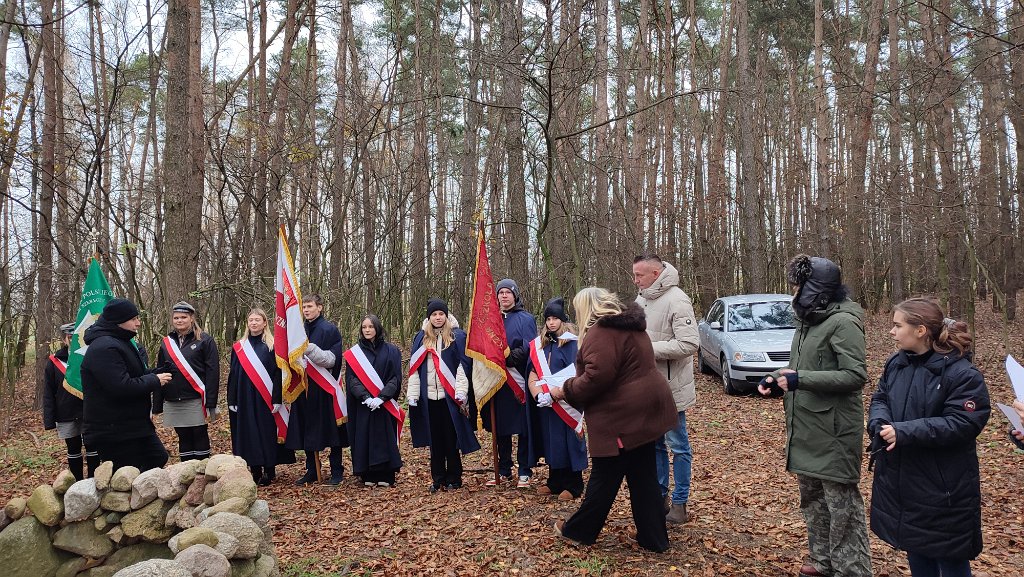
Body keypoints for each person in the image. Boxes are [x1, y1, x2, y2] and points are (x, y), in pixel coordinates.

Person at [757, 254, 871, 577]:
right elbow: (801, 368)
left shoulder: (843, 322)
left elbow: (855, 375)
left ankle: (852, 571)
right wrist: (777, 380)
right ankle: (822, 563)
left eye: (798, 286)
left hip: (834, 434)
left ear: (815, 290)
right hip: (806, 430)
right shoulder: (808, 322)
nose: (794, 292)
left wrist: (800, 380)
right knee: (813, 503)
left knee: (842, 511)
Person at [868, 298, 990, 577]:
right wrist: (879, 423)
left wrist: (904, 431)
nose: (891, 331)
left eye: (898, 325)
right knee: (917, 550)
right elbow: (881, 397)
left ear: (920, 330)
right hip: (903, 479)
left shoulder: (962, 373)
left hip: (943, 487)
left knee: (950, 558)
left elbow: (963, 422)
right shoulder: (897, 363)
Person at [550, 287, 677, 553]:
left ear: (586, 308)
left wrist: (566, 390)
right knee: (643, 476)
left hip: (622, 416)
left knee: (605, 476)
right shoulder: (630, 326)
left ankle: (579, 531)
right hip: (644, 410)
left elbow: (597, 377)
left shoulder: (602, 332)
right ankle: (654, 538)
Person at [632, 253, 699, 524]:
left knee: (678, 446)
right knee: (655, 445)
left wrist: (647, 348)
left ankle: (680, 503)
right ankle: (659, 497)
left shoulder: (677, 300)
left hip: (671, 389)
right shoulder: (641, 299)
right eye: (634, 275)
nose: (635, 280)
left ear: (655, 273)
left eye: (639, 275)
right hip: (646, 386)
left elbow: (689, 344)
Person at [81, 298, 172, 471]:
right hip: (113, 430)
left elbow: (134, 374)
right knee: (128, 474)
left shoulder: (121, 342)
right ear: (119, 321)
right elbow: (120, 386)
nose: (138, 323)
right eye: (133, 319)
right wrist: (154, 380)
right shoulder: (103, 347)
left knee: (157, 457)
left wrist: (159, 372)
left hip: (133, 425)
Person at [408, 298, 480, 492]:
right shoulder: (421, 338)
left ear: (446, 316)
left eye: (441, 314)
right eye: (434, 314)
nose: (438, 317)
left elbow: (462, 367)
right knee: (435, 440)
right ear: (429, 317)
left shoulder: (457, 336)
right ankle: (437, 478)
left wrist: (461, 391)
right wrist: (413, 394)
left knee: (451, 438)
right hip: (429, 397)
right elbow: (414, 369)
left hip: (449, 397)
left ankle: (454, 477)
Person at [526, 297, 586, 501]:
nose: (551, 323)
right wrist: (538, 394)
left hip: (567, 400)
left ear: (563, 320)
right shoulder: (541, 345)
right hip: (547, 401)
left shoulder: (572, 343)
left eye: (555, 318)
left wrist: (557, 393)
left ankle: (574, 484)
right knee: (552, 440)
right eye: (548, 319)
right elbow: (533, 372)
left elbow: (577, 372)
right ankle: (555, 481)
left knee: (569, 441)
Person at [227, 308, 294, 486]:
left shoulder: (272, 346)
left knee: (266, 432)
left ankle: (269, 469)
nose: (254, 323)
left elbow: (278, 375)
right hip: (244, 397)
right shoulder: (239, 347)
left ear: (265, 323)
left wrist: (277, 398)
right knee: (248, 432)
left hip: (265, 397)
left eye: (257, 320)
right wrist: (232, 399)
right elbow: (233, 374)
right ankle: (254, 469)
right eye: (251, 320)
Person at [481, 279, 538, 488]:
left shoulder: (525, 319)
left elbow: (530, 346)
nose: (504, 296)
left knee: (523, 428)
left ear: (515, 295)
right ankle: (504, 469)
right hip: (498, 381)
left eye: (508, 292)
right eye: (501, 292)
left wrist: (508, 358)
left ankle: (524, 470)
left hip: (519, 379)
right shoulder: (491, 320)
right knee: (501, 428)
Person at [286, 294, 348, 485]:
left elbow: (332, 360)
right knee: (307, 429)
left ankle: (337, 470)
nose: (306, 310)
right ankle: (312, 470)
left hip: (324, 388)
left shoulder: (330, 329)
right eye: (304, 307)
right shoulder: (298, 331)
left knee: (333, 432)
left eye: (310, 306)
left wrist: (309, 349)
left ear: (319, 307)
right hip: (303, 387)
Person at [156, 301, 220, 462]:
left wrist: (211, 401)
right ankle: (187, 471)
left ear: (192, 318)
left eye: (183, 317)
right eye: (176, 317)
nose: (179, 320)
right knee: (182, 435)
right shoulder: (166, 343)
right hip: (173, 397)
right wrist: (157, 403)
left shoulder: (205, 340)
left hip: (196, 396)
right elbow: (160, 371)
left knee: (199, 433)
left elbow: (213, 372)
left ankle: (201, 469)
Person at [345, 314, 403, 487]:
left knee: (385, 438)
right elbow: (352, 380)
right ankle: (367, 474)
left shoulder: (392, 351)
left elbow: (395, 378)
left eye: (370, 327)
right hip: (364, 404)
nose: (367, 330)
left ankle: (386, 475)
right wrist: (365, 397)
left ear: (377, 328)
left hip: (384, 404)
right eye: (364, 327)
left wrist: (383, 397)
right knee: (364, 437)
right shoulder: (355, 353)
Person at [42, 322, 99, 480]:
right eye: (69, 337)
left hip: (90, 411)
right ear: (64, 339)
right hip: (66, 413)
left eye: (76, 337)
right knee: (73, 448)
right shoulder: (54, 361)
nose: (73, 341)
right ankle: (77, 483)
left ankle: (93, 481)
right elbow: (48, 392)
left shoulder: (90, 356)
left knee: (92, 447)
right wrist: (49, 420)